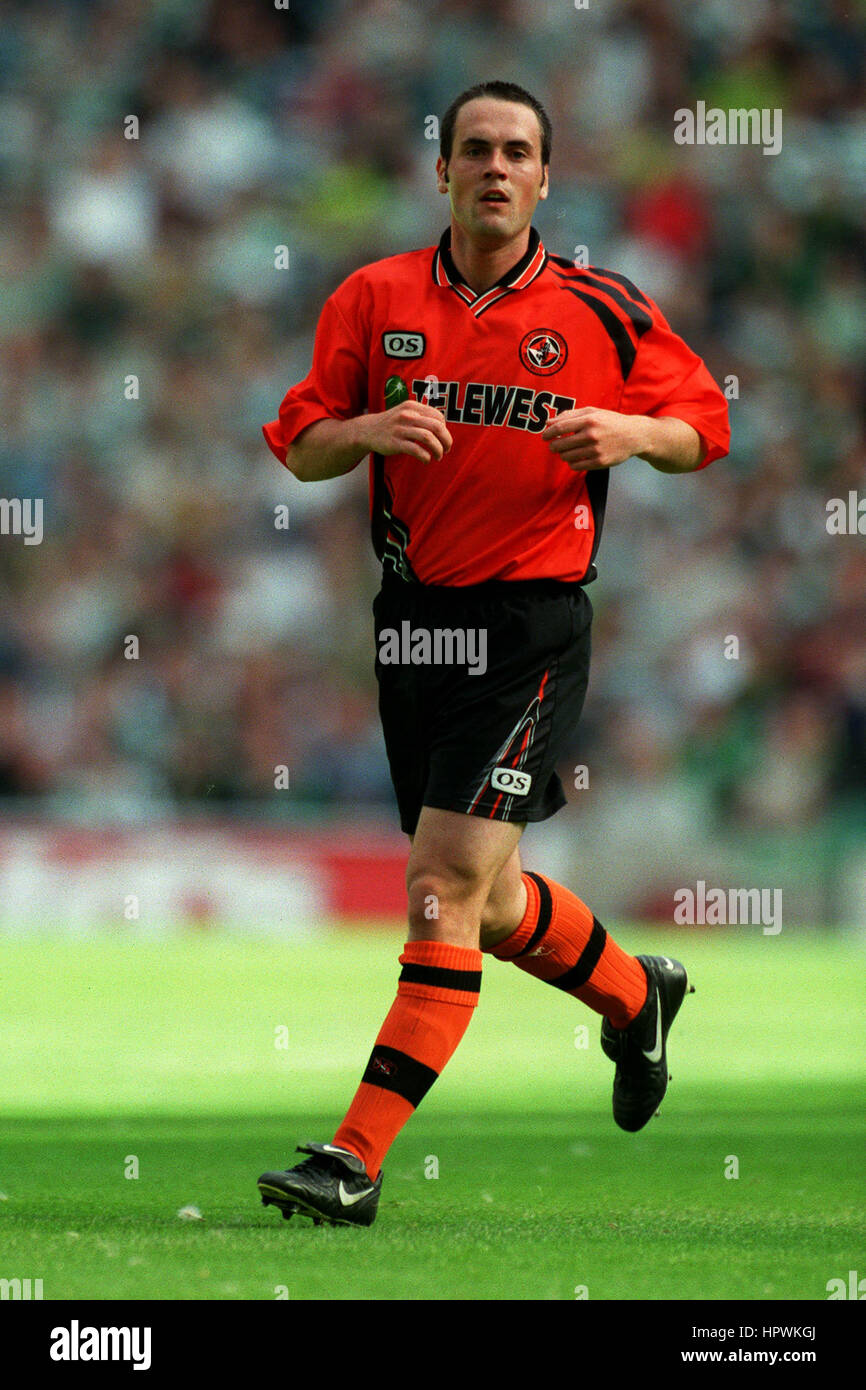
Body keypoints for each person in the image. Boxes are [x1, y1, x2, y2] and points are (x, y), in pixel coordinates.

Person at [257, 80, 730, 1227]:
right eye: (474, 149)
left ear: (544, 178)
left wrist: (628, 431)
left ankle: (355, 1157)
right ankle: (634, 993)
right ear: (442, 172)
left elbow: (703, 425)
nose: (494, 168)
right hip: (414, 622)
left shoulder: (601, 308)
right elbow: (299, 445)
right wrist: (363, 429)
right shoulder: (373, 300)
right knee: (493, 894)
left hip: (529, 626)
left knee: (439, 887)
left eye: (516, 151)